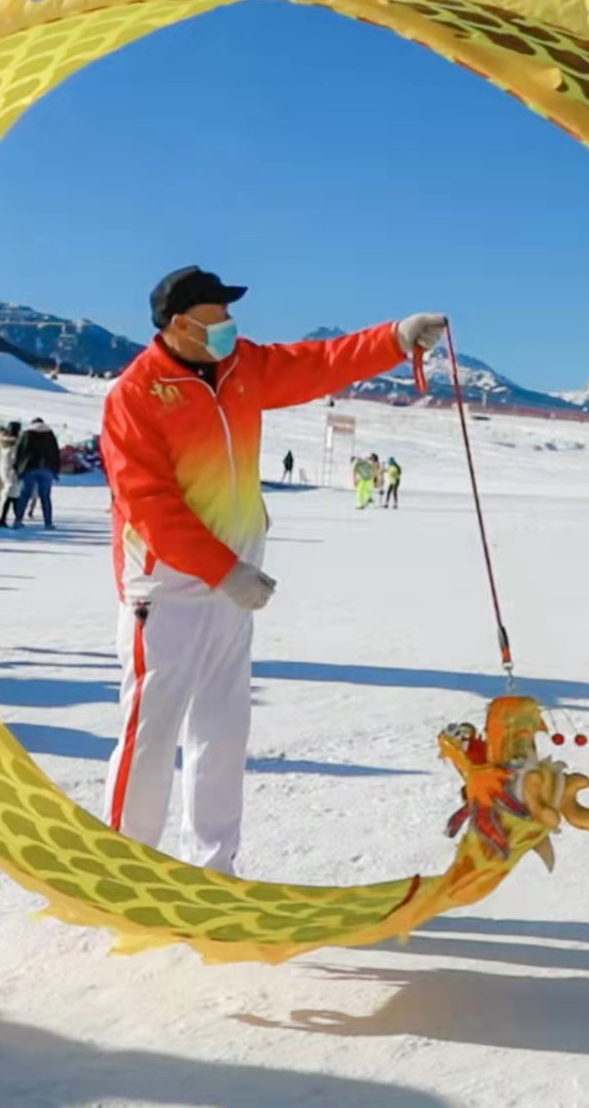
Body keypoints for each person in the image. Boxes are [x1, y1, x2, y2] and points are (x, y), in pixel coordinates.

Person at [100, 263, 444, 872]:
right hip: (168, 592)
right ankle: (124, 868)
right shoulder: (136, 394)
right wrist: (221, 570)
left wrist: (395, 337)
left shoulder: (242, 369)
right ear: (180, 324)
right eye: (217, 315)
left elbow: (319, 363)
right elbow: (147, 503)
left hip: (235, 588)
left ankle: (213, 865)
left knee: (222, 732)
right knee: (150, 733)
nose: (230, 325)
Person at [13, 416, 62, 529]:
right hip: (47, 469)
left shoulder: (26, 434)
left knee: (24, 495)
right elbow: (55, 453)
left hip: (29, 468)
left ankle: (18, 520)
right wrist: (55, 470)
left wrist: (17, 469)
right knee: (45, 497)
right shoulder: (50, 434)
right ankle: (48, 523)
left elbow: (19, 451)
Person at [0, 422, 22, 527]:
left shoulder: (3, 442)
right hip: (12, 471)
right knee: (11, 495)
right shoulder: (14, 444)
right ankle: (3, 519)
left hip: (3, 470)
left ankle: (16, 518)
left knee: (14, 495)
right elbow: (15, 459)